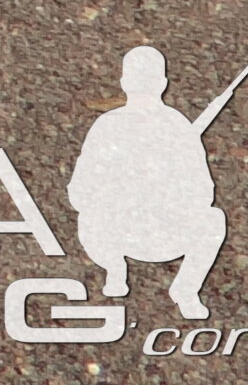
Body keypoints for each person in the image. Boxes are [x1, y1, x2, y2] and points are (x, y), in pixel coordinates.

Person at [69, 45, 232, 320]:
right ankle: (182, 288)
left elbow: (79, 192)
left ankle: (117, 269)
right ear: (162, 83)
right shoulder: (177, 126)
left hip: (124, 234)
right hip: (162, 235)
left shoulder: (108, 125)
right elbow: (204, 192)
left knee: (88, 217)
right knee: (213, 219)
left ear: (124, 83)